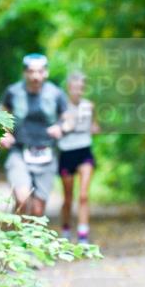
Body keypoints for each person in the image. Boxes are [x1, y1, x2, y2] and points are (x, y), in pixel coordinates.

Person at [0, 53, 68, 217]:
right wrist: (3, 134)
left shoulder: (56, 93)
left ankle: (31, 241)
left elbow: (68, 118)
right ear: (25, 73)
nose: (36, 76)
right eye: (31, 71)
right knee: (22, 200)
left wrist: (61, 127)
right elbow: (0, 116)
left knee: (38, 209)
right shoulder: (13, 92)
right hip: (19, 151)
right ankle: (19, 241)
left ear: (46, 72)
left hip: (46, 153)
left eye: (40, 71)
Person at [58, 71, 100, 243]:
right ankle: (66, 230)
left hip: (84, 151)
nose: (78, 91)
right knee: (68, 197)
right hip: (67, 152)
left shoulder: (89, 106)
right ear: (69, 88)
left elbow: (95, 126)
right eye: (75, 87)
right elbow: (56, 128)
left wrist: (95, 129)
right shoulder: (61, 107)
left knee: (83, 195)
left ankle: (83, 235)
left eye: (81, 88)